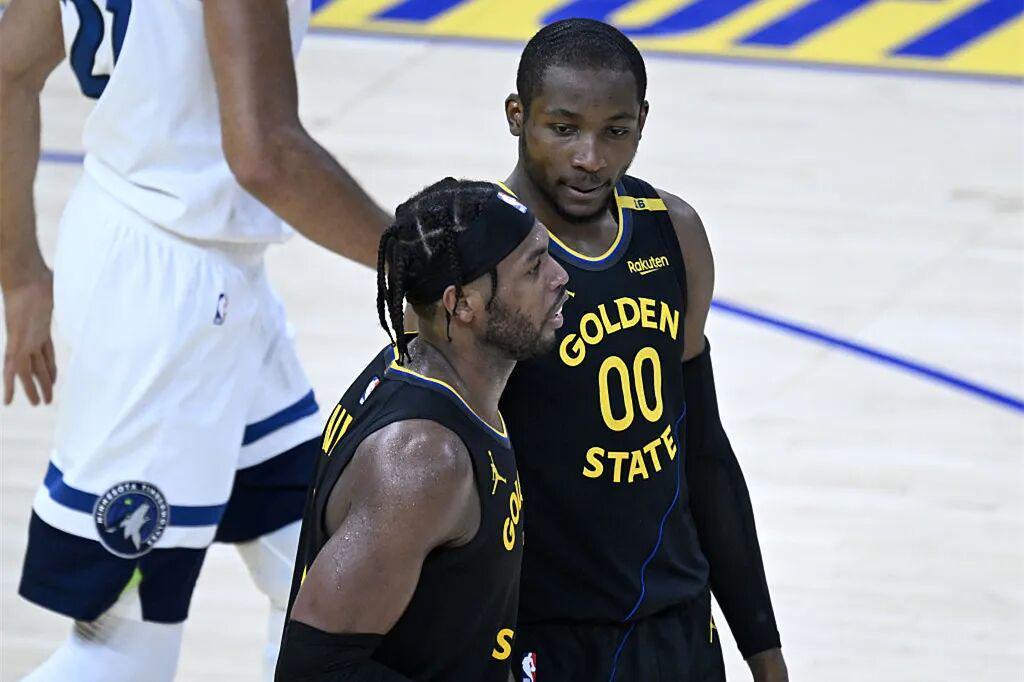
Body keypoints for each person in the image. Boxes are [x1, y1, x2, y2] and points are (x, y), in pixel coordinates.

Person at [0, 1, 389, 680]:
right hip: (164, 299)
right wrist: (416, 260)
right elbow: (265, 154)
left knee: (328, 584)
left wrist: (22, 273)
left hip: (197, 271)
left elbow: (9, 66)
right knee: (125, 655)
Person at [496, 19, 789, 681]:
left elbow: (703, 452)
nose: (590, 158)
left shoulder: (672, 231)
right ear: (517, 116)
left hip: (677, 624)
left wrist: (763, 649)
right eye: (563, 128)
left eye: (615, 131)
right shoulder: (483, 256)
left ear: (642, 123)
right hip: (546, 631)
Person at [275, 178, 569, 681]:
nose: (560, 276)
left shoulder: (426, 365)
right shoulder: (425, 459)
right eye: (534, 267)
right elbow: (312, 671)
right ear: (462, 305)